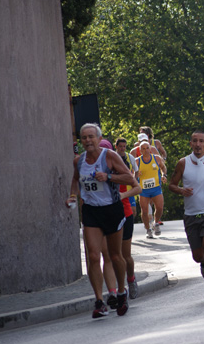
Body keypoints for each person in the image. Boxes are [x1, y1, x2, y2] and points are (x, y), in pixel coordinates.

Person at [66, 123, 141, 318]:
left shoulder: (109, 156)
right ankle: (99, 301)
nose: (88, 140)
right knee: (92, 256)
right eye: (84, 137)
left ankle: (121, 292)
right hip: (91, 211)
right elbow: (75, 180)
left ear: (99, 139)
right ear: (81, 141)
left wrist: (108, 176)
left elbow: (129, 179)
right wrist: (73, 196)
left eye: (91, 137)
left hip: (112, 209)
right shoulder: (79, 160)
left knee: (116, 256)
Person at [168, 130, 204, 301]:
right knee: (198, 255)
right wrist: (181, 190)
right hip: (192, 214)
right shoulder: (182, 163)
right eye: (195, 141)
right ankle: (203, 263)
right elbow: (172, 185)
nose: (198, 144)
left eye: (201, 141)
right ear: (190, 144)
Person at [115, 138, 140, 298]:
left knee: (125, 256)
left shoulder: (125, 174)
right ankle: (118, 289)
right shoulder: (102, 174)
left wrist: (123, 195)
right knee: (113, 256)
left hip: (125, 214)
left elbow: (138, 188)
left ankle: (131, 279)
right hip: (108, 216)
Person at [136, 140, 167, 238]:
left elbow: (163, 168)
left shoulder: (157, 158)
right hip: (144, 190)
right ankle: (148, 229)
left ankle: (156, 223)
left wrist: (164, 175)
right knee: (144, 211)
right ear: (140, 151)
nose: (146, 150)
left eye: (147, 148)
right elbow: (131, 174)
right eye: (143, 149)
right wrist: (136, 175)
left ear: (151, 149)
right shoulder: (137, 161)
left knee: (160, 208)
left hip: (156, 188)